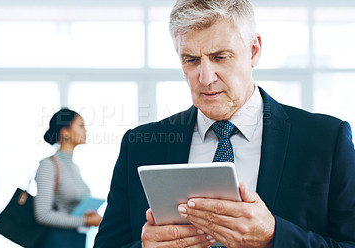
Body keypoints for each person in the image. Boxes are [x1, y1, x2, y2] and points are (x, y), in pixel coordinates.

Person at [94, 0, 355, 247]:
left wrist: (274, 237)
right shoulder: (139, 145)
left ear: (254, 51)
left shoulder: (325, 140)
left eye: (220, 57)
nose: (205, 78)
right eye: (191, 60)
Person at [34, 108, 102, 248]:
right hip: (57, 241)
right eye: (81, 126)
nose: (86, 131)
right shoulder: (48, 165)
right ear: (65, 132)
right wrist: (85, 221)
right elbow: (43, 214)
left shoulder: (74, 167)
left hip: (75, 240)